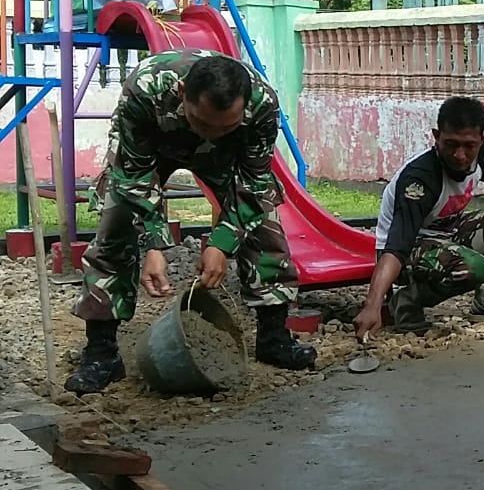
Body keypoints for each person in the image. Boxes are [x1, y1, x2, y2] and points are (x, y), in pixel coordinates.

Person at [66, 49, 317, 394]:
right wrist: (154, 244)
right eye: (203, 123)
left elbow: (254, 184)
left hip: (225, 159)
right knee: (117, 223)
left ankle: (274, 338)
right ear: (183, 93)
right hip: (154, 148)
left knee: (264, 226)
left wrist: (221, 243)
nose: (212, 133)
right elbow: (134, 177)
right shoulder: (145, 89)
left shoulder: (262, 105)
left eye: (225, 125)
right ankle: (101, 354)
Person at [353, 96, 484, 339]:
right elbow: (397, 247)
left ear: (482, 139)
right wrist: (372, 305)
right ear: (436, 136)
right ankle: (406, 302)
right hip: (408, 249)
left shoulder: (475, 152)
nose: (460, 155)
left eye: (469, 146)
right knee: (474, 266)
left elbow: (480, 167)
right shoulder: (419, 180)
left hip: (447, 235)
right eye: (450, 144)